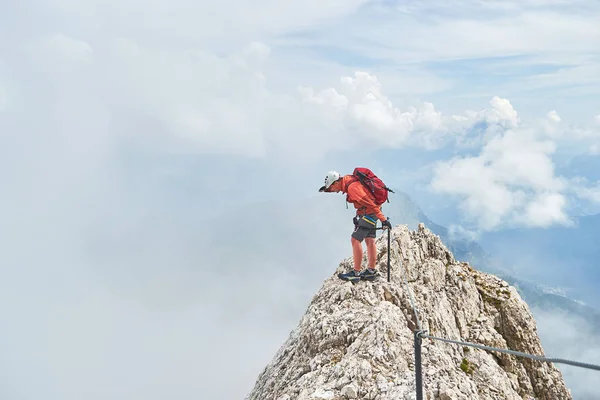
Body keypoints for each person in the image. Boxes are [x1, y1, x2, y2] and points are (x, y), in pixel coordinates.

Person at [319, 170, 392, 282]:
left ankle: (356, 273)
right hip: (369, 212)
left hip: (369, 213)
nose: (333, 191)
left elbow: (370, 203)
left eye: (331, 188)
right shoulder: (348, 181)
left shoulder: (352, 187)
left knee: (355, 239)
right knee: (370, 240)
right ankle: (371, 272)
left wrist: (383, 219)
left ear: (335, 183)